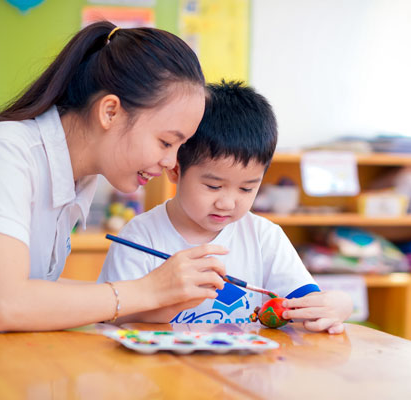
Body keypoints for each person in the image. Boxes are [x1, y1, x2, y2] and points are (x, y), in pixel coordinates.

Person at [0, 22, 229, 330]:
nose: (170, 162)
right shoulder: (4, 153)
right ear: (110, 112)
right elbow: (7, 304)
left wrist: (152, 301)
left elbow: (36, 288)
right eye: (166, 142)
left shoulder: (80, 176)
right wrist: (147, 291)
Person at [99, 80, 353, 333]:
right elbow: (113, 316)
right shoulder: (139, 237)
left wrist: (340, 304)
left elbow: (306, 302)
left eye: (246, 189)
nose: (227, 203)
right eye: (213, 186)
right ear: (175, 169)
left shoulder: (263, 237)